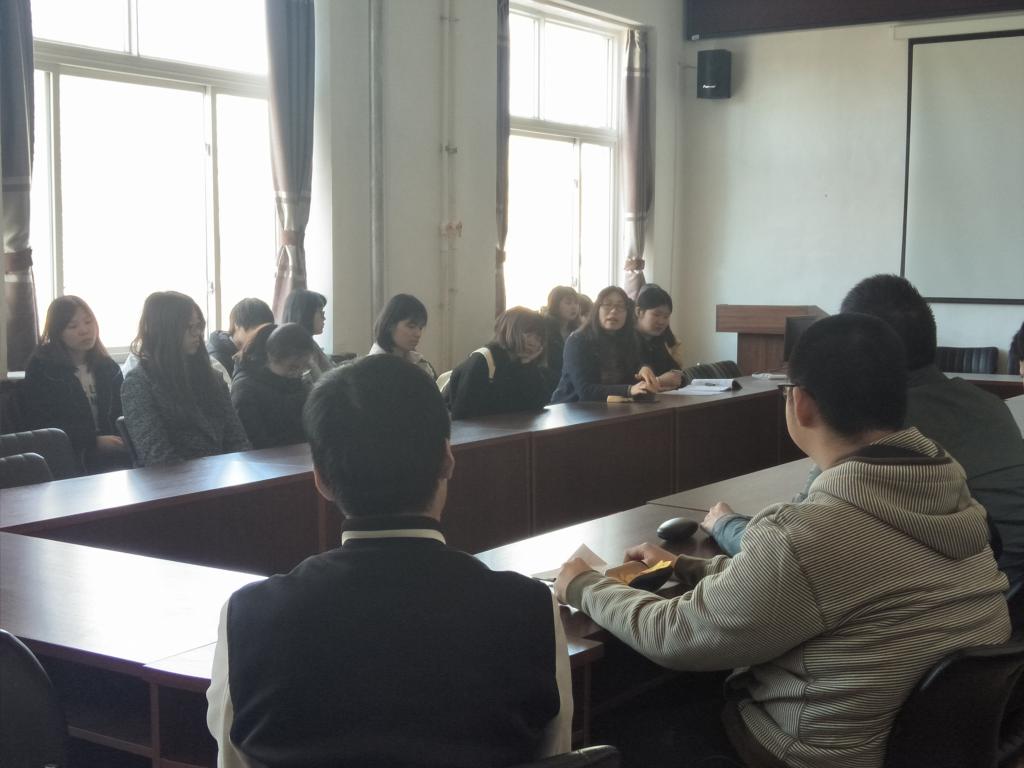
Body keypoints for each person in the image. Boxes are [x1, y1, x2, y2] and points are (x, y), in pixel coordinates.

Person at [555, 313, 1010, 768]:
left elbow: (680, 635)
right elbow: (803, 584)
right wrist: (685, 566)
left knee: (613, 728)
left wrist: (585, 585)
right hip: (927, 749)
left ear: (802, 403)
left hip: (804, 754)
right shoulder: (948, 491)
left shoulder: (814, 531)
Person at [207, 355, 572, 767]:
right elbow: (556, 757)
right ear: (447, 458)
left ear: (321, 479)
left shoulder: (248, 616)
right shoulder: (530, 609)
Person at [705, 275, 1024, 586]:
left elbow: (792, 550)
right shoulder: (990, 404)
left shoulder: (877, 425)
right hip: (1001, 592)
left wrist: (724, 524)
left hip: (978, 594)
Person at [121, 291, 251, 466]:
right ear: (166, 330)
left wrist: (241, 471)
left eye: (199, 326)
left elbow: (238, 440)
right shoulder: (139, 383)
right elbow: (158, 457)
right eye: (189, 327)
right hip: (177, 479)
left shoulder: (212, 377)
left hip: (222, 473)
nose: (197, 333)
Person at [21, 296, 131, 473]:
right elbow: (41, 423)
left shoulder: (108, 367)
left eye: (88, 322)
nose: (84, 331)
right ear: (57, 332)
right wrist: (92, 442)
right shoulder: (41, 368)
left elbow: (125, 410)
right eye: (73, 326)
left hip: (114, 455)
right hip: (66, 458)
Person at [550, 285, 656, 403]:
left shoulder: (630, 339)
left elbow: (634, 369)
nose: (614, 311)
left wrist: (643, 369)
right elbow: (585, 390)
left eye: (620, 306)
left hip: (609, 408)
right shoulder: (577, 341)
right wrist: (629, 390)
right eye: (607, 304)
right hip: (570, 407)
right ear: (597, 310)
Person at [445, 307, 548, 420]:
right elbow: (463, 415)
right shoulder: (483, 360)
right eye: (528, 334)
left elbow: (538, 403)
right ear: (510, 330)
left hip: (506, 428)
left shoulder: (524, 364)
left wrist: (527, 366)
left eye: (538, 338)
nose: (534, 342)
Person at [231, 323, 318, 449]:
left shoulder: (296, 382)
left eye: (304, 367)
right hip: (267, 457)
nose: (298, 373)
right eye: (292, 367)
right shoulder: (245, 389)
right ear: (272, 357)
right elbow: (256, 442)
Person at [368, 293, 437, 379]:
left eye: (420, 328)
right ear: (390, 325)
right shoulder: (369, 369)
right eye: (411, 326)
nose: (418, 334)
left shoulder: (422, 365)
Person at [208, 298, 275, 380]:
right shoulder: (216, 361)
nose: (262, 337)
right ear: (237, 325)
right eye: (258, 332)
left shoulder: (261, 350)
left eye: (267, 331)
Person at [634, 284, 684, 390]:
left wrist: (674, 377)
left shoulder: (657, 340)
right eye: (656, 314)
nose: (661, 322)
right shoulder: (626, 340)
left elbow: (676, 372)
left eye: (666, 316)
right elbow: (626, 383)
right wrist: (659, 381)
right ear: (639, 312)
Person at [281, 289, 333, 380]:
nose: (324, 318)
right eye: (321, 312)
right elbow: (319, 383)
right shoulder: (297, 351)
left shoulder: (310, 343)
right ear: (307, 314)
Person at [541, 286, 580, 386]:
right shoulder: (544, 329)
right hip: (551, 381)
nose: (574, 307)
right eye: (568, 303)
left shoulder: (578, 331)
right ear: (555, 305)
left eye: (576, 303)